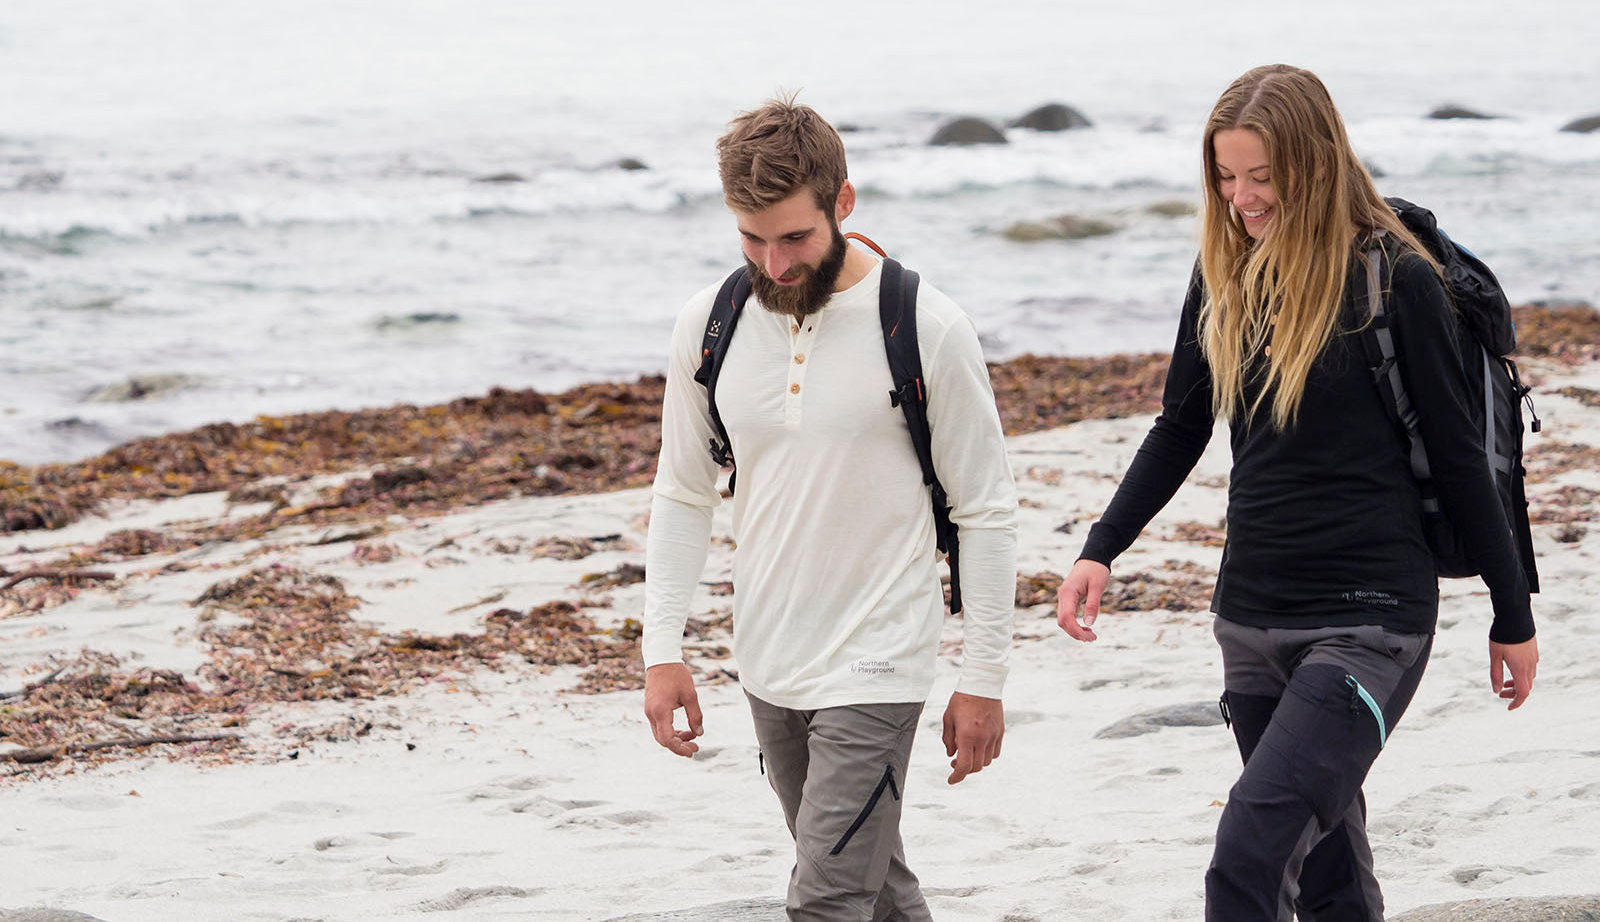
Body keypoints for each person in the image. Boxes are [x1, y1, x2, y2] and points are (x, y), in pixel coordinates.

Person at [1055, 64, 1539, 921]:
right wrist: (1101, 546)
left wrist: (1513, 614)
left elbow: (1464, 461)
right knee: (1328, 876)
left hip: (1370, 621)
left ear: (1313, 164)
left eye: (1262, 177)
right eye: (1226, 176)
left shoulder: (1397, 278)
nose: (1241, 197)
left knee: (1248, 849)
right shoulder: (1224, 274)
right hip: (1249, 616)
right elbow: (1180, 426)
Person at [642, 96, 1019, 920]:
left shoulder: (925, 324)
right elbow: (682, 489)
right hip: (769, 659)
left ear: (843, 203)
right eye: (751, 237)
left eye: (794, 237)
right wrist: (661, 646)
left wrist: (983, 676)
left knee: (825, 902)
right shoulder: (709, 324)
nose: (773, 265)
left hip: (879, 656)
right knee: (877, 891)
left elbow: (985, 509)